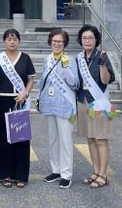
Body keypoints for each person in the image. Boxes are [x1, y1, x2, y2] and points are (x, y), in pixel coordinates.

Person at [0, 28, 35, 188]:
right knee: (3, 138)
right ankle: (5, 174)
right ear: (4, 41)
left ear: (19, 41)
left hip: (20, 101)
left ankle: (21, 175)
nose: (12, 42)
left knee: (21, 138)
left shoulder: (25, 58)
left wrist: (25, 94)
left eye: (15, 39)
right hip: (3, 100)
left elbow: (31, 79)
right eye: (9, 39)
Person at [73, 24, 115, 189]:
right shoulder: (79, 58)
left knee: (101, 139)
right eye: (84, 38)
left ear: (96, 40)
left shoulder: (102, 56)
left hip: (99, 102)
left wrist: (103, 65)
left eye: (90, 38)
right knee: (90, 138)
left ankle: (103, 175)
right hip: (83, 101)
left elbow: (106, 80)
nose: (87, 41)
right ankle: (95, 171)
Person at [38, 28, 78, 189]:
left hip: (64, 104)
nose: (56, 44)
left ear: (64, 44)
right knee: (53, 139)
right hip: (49, 103)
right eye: (54, 41)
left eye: (60, 41)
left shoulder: (70, 60)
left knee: (65, 141)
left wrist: (66, 68)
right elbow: (43, 81)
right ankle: (56, 170)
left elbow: (75, 83)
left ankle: (66, 174)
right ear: (50, 42)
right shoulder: (47, 59)